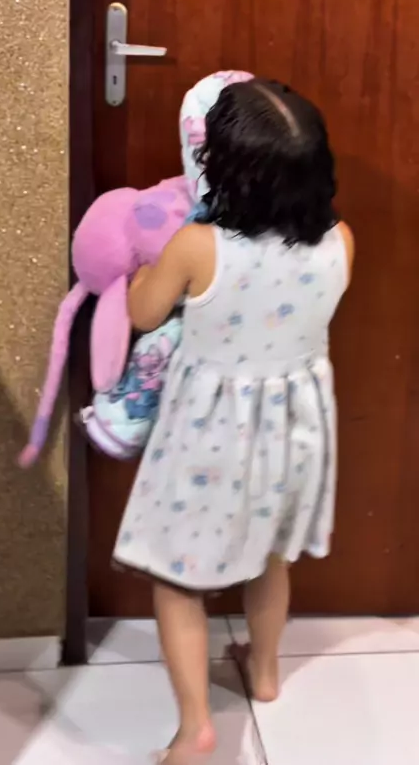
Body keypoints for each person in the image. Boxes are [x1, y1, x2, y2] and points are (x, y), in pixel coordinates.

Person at [113, 78, 354, 763]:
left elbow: (143, 314)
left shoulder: (198, 246)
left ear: (220, 169)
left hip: (210, 438)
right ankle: (266, 672)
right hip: (295, 432)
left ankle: (195, 728)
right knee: (270, 557)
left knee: (176, 580)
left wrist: (140, 278)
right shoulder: (341, 240)